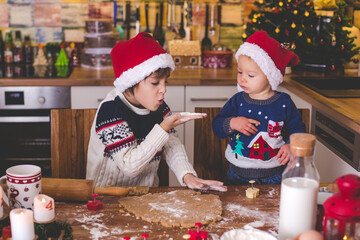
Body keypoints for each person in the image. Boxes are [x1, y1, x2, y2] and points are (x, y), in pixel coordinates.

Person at [86, 32, 227, 192]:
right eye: (155, 82)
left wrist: (187, 175)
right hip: (106, 197)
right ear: (131, 82)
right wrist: (163, 128)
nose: (163, 89)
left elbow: (172, 145)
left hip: (145, 194)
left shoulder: (159, 107)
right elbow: (130, 166)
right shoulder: (111, 111)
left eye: (165, 81)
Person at [212, 31, 306, 185]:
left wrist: (291, 146)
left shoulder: (283, 102)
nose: (242, 78)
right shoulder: (237, 101)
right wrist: (232, 123)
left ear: (270, 77)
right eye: (240, 72)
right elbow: (217, 126)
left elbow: (297, 129)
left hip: (274, 175)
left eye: (251, 75)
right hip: (237, 174)